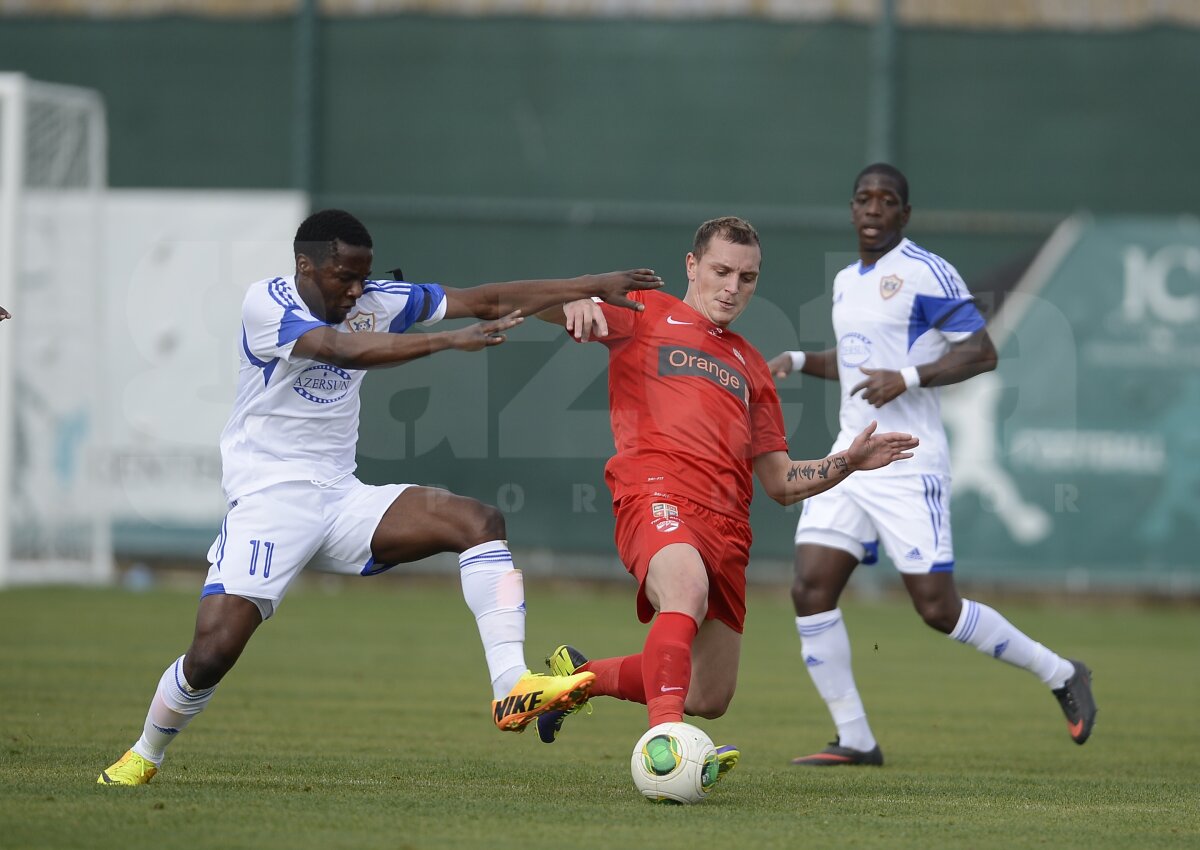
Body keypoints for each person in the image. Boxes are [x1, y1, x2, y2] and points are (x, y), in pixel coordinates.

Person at [97, 208, 665, 785]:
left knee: (479, 521)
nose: (356, 290)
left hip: (342, 499)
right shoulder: (266, 305)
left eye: (363, 278)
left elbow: (486, 298)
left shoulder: (374, 300)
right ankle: (144, 754)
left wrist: (590, 285)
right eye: (344, 277)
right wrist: (446, 343)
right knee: (212, 653)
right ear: (305, 266)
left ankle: (510, 686)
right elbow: (341, 350)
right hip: (269, 500)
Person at [530, 216, 919, 788]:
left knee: (709, 694)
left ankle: (578, 680)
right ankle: (665, 744)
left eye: (747, 277)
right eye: (721, 271)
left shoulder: (752, 366)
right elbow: (535, 303)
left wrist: (848, 463)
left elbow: (782, 481)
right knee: (684, 589)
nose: (732, 287)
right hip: (655, 490)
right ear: (692, 267)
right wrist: (569, 301)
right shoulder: (645, 310)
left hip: (729, 528)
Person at [766, 163, 1097, 767]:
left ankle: (1062, 672)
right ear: (851, 209)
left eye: (886, 200)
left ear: (905, 214)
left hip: (907, 462)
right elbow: (861, 360)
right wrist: (796, 357)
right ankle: (856, 740)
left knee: (937, 610)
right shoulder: (846, 281)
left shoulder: (925, 271)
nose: (872, 208)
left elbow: (981, 350)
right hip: (851, 456)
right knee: (810, 588)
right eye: (863, 198)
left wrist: (912, 378)